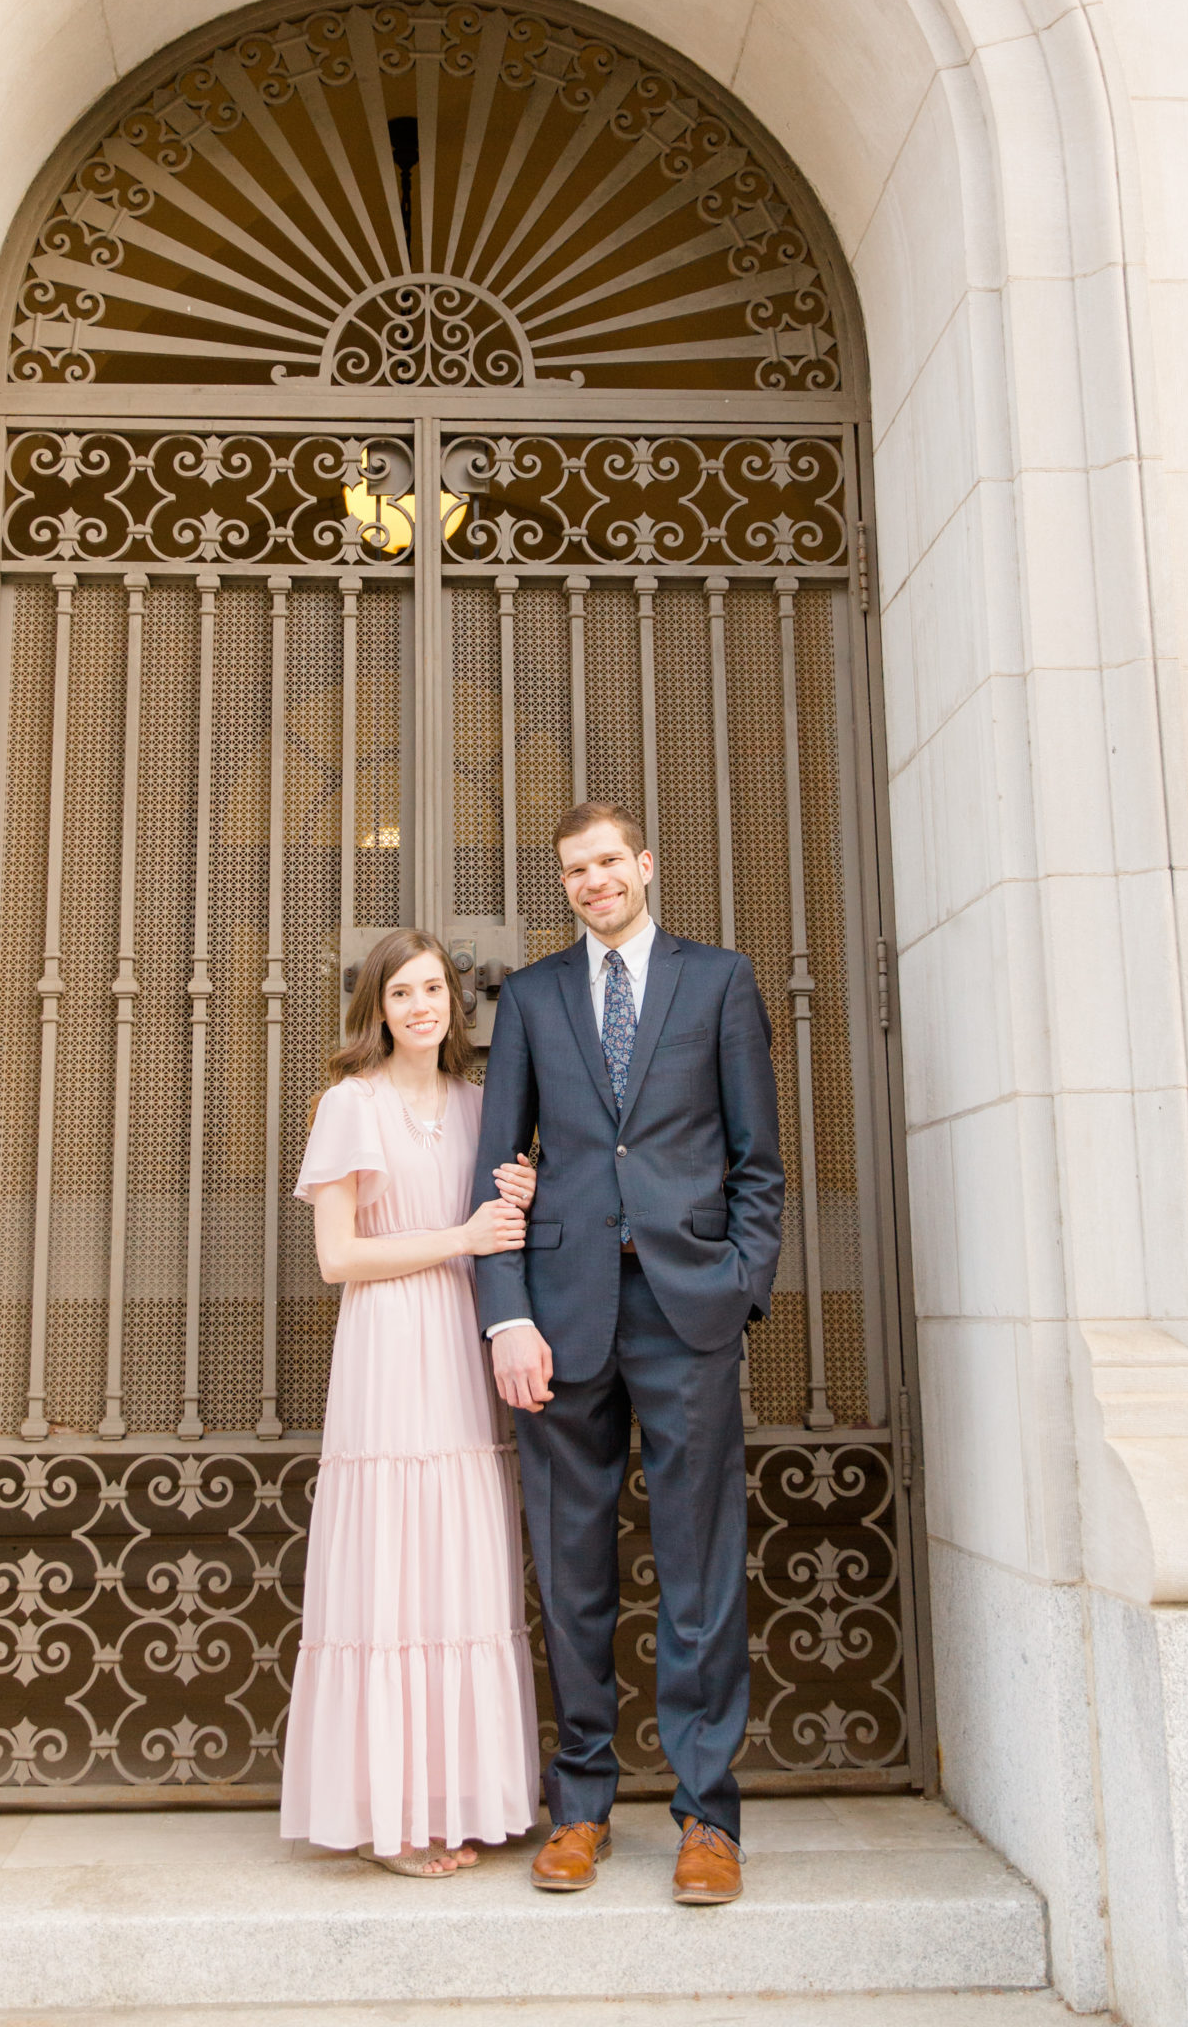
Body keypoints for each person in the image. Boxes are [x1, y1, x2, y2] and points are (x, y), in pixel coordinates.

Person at [471, 802, 785, 1906]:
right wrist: (506, 1314)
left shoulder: (719, 982)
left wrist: (742, 1278)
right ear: (561, 883)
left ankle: (708, 1816)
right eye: (573, 869)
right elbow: (498, 1163)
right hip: (561, 1316)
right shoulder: (535, 996)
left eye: (608, 861)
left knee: (700, 1567)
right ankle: (582, 1806)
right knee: (571, 1572)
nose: (593, 881)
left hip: (688, 1307)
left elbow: (759, 1158)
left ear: (645, 863)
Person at [281, 929, 540, 1877]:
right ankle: (387, 1820)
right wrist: (459, 1236)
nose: (421, 1006)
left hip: (462, 1350)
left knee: (457, 1566)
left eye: (434, 989)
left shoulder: (484, 1108)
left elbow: (505, 1229)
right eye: (402, 994)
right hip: (390, 1347)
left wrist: (524, 1193)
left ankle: (448, 1798)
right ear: (377, 1009)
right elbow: (338, 1258)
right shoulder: (350, 1105)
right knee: (390, 1567)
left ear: (455, 1001)